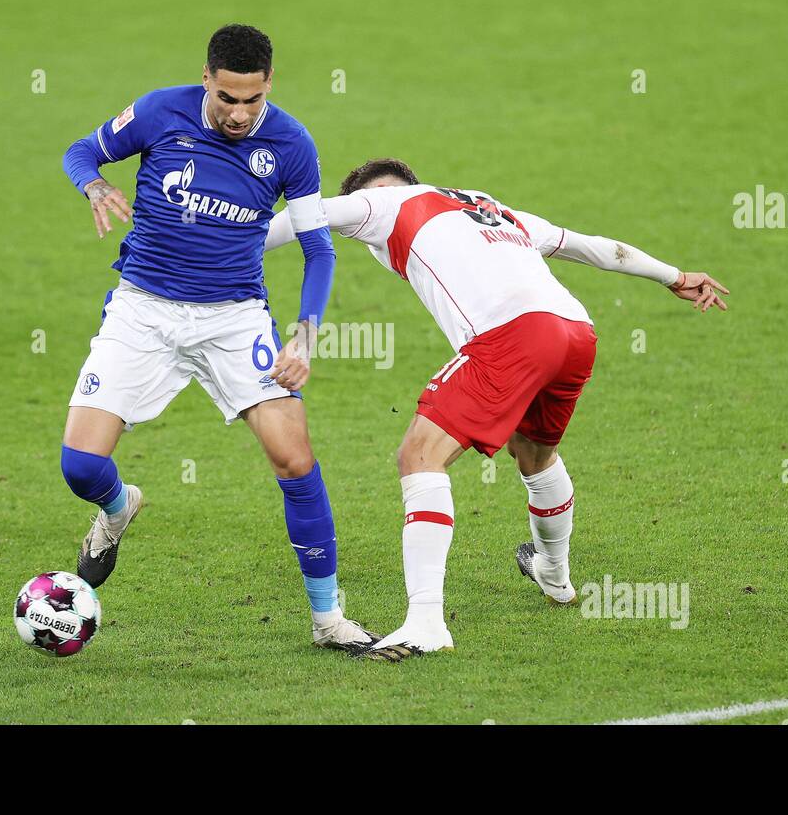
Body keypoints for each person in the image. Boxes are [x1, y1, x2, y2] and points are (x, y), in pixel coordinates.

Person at [264, 158, 729, 659]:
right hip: (575, 332)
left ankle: (425, 623)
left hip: (513, 336)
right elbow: (591, 247)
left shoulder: (380, 204)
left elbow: (300, 215)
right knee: (534, 455)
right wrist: (674, 275)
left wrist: (219, 246)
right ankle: (555, 574)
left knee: (419, 457)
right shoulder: (489, 207)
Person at [57, 25, 380, 652]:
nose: (238, 114)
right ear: (206, 79)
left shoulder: (292, 144)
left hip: (234, 318)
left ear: (268, 87)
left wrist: (305, 337)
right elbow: (79, 152)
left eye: (251, 100)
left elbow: (318, 249)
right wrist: (95, 184)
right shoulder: (158, 111)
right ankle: (118, 507)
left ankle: (327, 617)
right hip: (142, 310)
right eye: (226, 98)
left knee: (295, 459)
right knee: (80, 466)